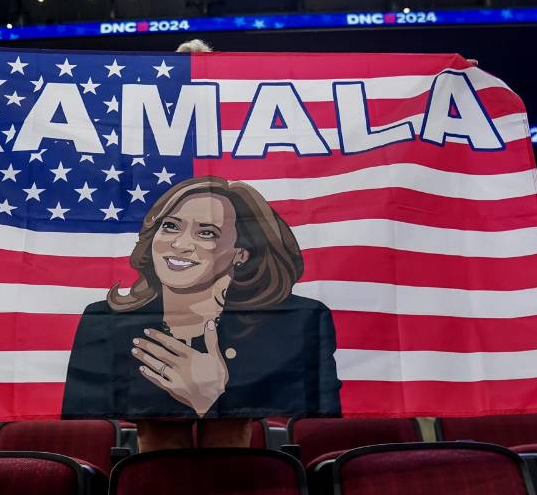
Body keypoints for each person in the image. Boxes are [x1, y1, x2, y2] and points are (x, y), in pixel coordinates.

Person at [62, 176, 341, 450]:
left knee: (228, 434)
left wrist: (215, 400)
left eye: (207, 232)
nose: (180, 244)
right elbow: (83, 431)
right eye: (170, 226)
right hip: (149, 482)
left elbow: (320, 429)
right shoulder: (104, 320)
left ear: (241, 253)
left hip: (244, 482)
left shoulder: (298, 321)